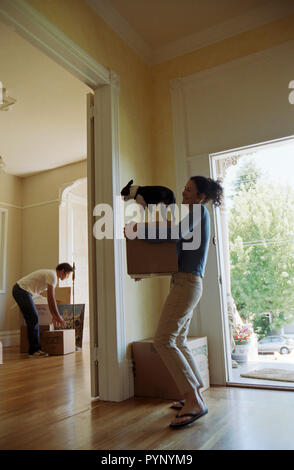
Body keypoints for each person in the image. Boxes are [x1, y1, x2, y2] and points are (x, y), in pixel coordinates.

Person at [133, 176, 223, 428]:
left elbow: (172, 234)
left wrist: (141, 230)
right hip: (185, 282)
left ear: (201, 197)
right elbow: (174, 252)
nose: (183, 192)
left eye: (189, 189)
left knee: (163, 340)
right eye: (184, 188)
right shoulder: (194, 217)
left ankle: (193, 400)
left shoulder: (198, 213)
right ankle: (194, 394)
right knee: (178, 340)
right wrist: (146, 270)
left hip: (187, 283)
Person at [12, 263, 74, 357]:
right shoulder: (52, 276)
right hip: (21, 290)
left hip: (22, 291)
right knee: (33, 318)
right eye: (68, 274)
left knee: (32, 318)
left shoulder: (51, 275)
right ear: (62, 271)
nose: (67, 277)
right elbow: (51, 299)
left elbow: (50, 300)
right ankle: (34, 350)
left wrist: (54, 315)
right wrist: (58, 317)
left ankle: (34, 349)